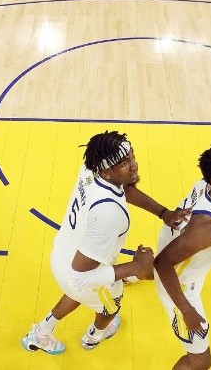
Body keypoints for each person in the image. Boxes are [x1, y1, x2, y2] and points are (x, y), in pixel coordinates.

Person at [21, 131, 189, 355]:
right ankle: (94, 336)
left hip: (63, 252)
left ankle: (41, 332)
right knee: (110, 306)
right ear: (107, 172)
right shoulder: (109, 214)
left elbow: (124, 189)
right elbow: (79, 278)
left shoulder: (91, 169)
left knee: (81, 293)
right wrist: (136, 268)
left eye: (131, 156)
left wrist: (163, 212)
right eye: (124, 163)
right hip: (78, 272)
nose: (134, 165)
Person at [153, 144, 211, 370]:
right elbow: (162, 264)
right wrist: (187, 311)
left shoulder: (206, 187)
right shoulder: (209, 229)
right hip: (179, 287)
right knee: (200, 361)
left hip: (172, 241)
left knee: (170, 258)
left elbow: (194, 217)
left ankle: (134, 271)